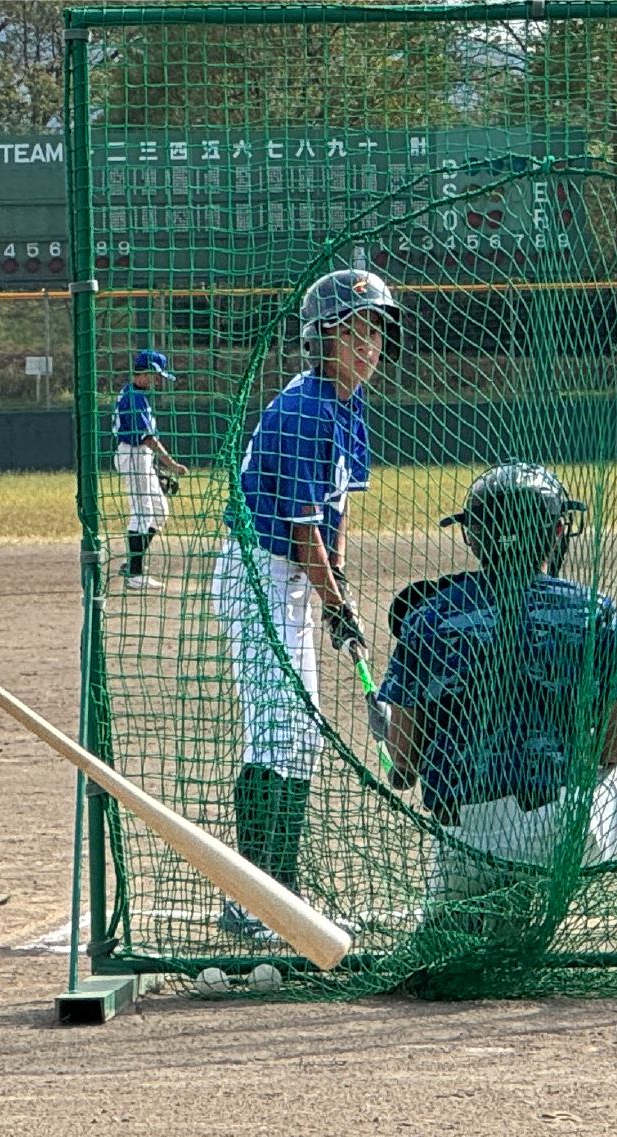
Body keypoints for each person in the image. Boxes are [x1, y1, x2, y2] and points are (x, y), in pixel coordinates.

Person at [376, 463, 617, 942]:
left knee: (473, 942)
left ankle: (478, 909)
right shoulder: (593, 611)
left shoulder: (429, 616)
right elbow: (614, 751)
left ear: (473, 536)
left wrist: (393, 740)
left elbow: (401, 768)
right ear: (557, 532)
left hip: (461, 850)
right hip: (559, 838)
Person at [210, 268, 399, 941]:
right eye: (354, 332)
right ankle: (251, 901)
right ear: (321, 339)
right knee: (277, 732)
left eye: (375, 331)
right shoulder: (304, 409)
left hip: (291, 578)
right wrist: (336, 602)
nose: (368, 345)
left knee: (303, 734)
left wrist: (338, 594)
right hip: (259, 574)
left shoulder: (348, 406)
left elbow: (334, 517)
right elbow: (302, 531)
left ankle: (279, 894)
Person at [112, 348, 187, 591]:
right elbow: (147, 438)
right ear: (144, 373)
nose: (157, 381)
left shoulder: (135, 393)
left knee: (160, 510)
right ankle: (135, 575)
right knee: (142, 512)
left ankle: (131, 563)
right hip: (133, 454)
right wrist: (171, 464)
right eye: (155, 376)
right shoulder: (133, 398)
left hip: (139, 457)